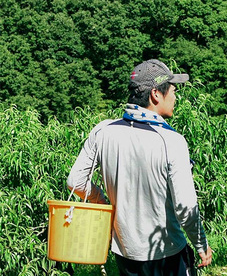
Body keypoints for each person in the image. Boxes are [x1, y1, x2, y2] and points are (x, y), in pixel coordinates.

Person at [67, 59, 212, 276]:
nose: (175, 96)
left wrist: (103, 202)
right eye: (173, 90)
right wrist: (201, 244)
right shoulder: (172, 141)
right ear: (156, 94)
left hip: (125, 252)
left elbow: (75, 182)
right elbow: (185, 206)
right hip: (166, 254)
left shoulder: (103, 131)